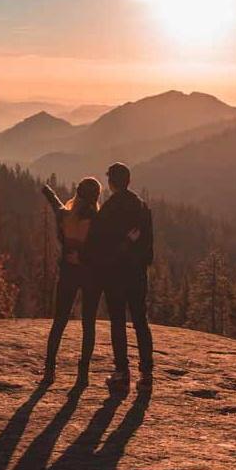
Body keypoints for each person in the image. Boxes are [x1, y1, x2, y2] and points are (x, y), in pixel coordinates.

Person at [90, 162, 155, 391]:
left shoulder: (109, 208)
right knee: (140, 321)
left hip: (115, 274)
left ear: (112, 182)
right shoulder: (141, 206)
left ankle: (121, 372)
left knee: (118, 321)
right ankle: (146, 374)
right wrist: (142, 262)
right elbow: (148, 242)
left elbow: (98, 241)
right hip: (137, 273)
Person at [40, 178, 103, 386]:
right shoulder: (98, 221)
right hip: (92, 275)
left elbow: (56, 204)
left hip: (69, 273)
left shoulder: (65, 216)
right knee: (89, 324)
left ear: (78, 194)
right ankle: (83, 373)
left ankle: (49, 369)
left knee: (59, 321)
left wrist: (48, 192)